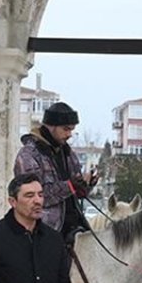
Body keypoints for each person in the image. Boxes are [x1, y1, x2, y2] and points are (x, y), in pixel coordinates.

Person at [14, 101, 95, 239]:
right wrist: (70, 186)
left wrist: (86, 185)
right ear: (50, 126)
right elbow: (35, 198)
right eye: (66, 129)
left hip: (75, 227)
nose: (69, 134)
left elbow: (76, 192)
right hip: (43, 232)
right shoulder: (28, 155)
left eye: (72, 129)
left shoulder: (68, 154)